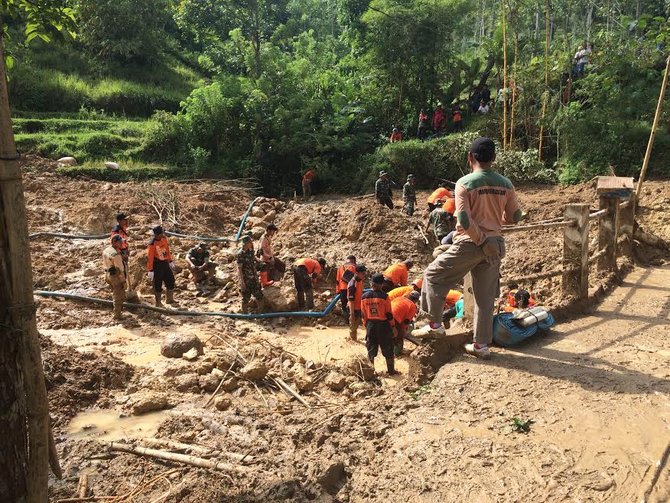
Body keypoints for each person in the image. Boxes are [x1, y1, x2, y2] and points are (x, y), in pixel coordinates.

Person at [412, 137, 522, 360]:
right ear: (494, 158)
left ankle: (434, 324)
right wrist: (497, 224)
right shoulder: (506, 184)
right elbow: (515, 216)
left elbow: (463, 216)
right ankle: (481, 345)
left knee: (433, 275)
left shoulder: (465, 182)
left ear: (470, 157)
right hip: (496, 245)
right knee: (485, 297)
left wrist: (481, 239)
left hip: (471, 243)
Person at [361, 273, 397, 375]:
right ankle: (391, 371)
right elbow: (389, 314)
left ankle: (370, 372)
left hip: (370, 325)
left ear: (372, 283)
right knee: (388, 348)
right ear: (381, 284)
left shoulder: (364, 297)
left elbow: (363, 315)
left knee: (371, 348)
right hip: (383, 325)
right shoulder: (385, 297)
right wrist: (393, 327)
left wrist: (366, 326)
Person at [146, 225, 176, 307]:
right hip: (157, 265)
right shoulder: (152, 244)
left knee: (170, 280)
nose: (163, 234)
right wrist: (150, 270)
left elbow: (167, 250)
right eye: (161, 233)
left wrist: (170, 260)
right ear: (157, 234)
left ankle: (169, 299)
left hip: (165, 263)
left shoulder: (164, 239)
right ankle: (158, 302)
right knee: (158, 284)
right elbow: (150, 257)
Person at [237, 235, 265, 313]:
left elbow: (254, 258)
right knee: (245, 298)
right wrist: (242, 282)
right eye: (250, 242)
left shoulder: (250, 251)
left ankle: (260, 313)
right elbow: (239, 269)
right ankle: (245, 314)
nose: (251, 243)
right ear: (246, 243)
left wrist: (260, 261)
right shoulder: (240, 254)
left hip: (254, 278)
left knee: (259, 295)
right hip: (246, 279)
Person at [102, 235, 127, 320]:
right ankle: (117, 314)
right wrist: (123, 280)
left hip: (108, 274)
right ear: (114, 242)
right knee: (118, 294)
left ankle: (118, 311)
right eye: (119, 242)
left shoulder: (106, 250)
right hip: (116, 276)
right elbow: (120, 269)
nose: (121, 244)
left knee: (115, 293)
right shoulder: (116, 254)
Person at [391, 290, 420, 356]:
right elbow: (406, 321)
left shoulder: (399, 298)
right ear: (416, 300)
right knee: (399, 336)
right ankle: (397, 353)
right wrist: (403, 331)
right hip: (394, 318)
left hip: (384, 316)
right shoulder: (412, 306)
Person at [111, 212, 130, 293]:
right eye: (124, 220)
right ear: (119, 221)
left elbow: (124, 241)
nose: (126, 221)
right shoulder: (115, 231)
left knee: (125, 270)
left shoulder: (123, 227)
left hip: (124, 250)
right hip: (120, 253)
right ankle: (120, 290)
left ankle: (125, 289)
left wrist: (127, 249)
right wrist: (121, 254)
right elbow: (114, 245)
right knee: (121, 271)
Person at [347, 264, 367, 341]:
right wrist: (352, 314)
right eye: (363, 273)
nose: (364, 275)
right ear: (357, 273)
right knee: (353, 326)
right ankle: (353, 339)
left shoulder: (360, 281)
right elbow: (351, 301)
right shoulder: (352, 284)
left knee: (362, 323)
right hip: (354, 308)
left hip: (360, 306)